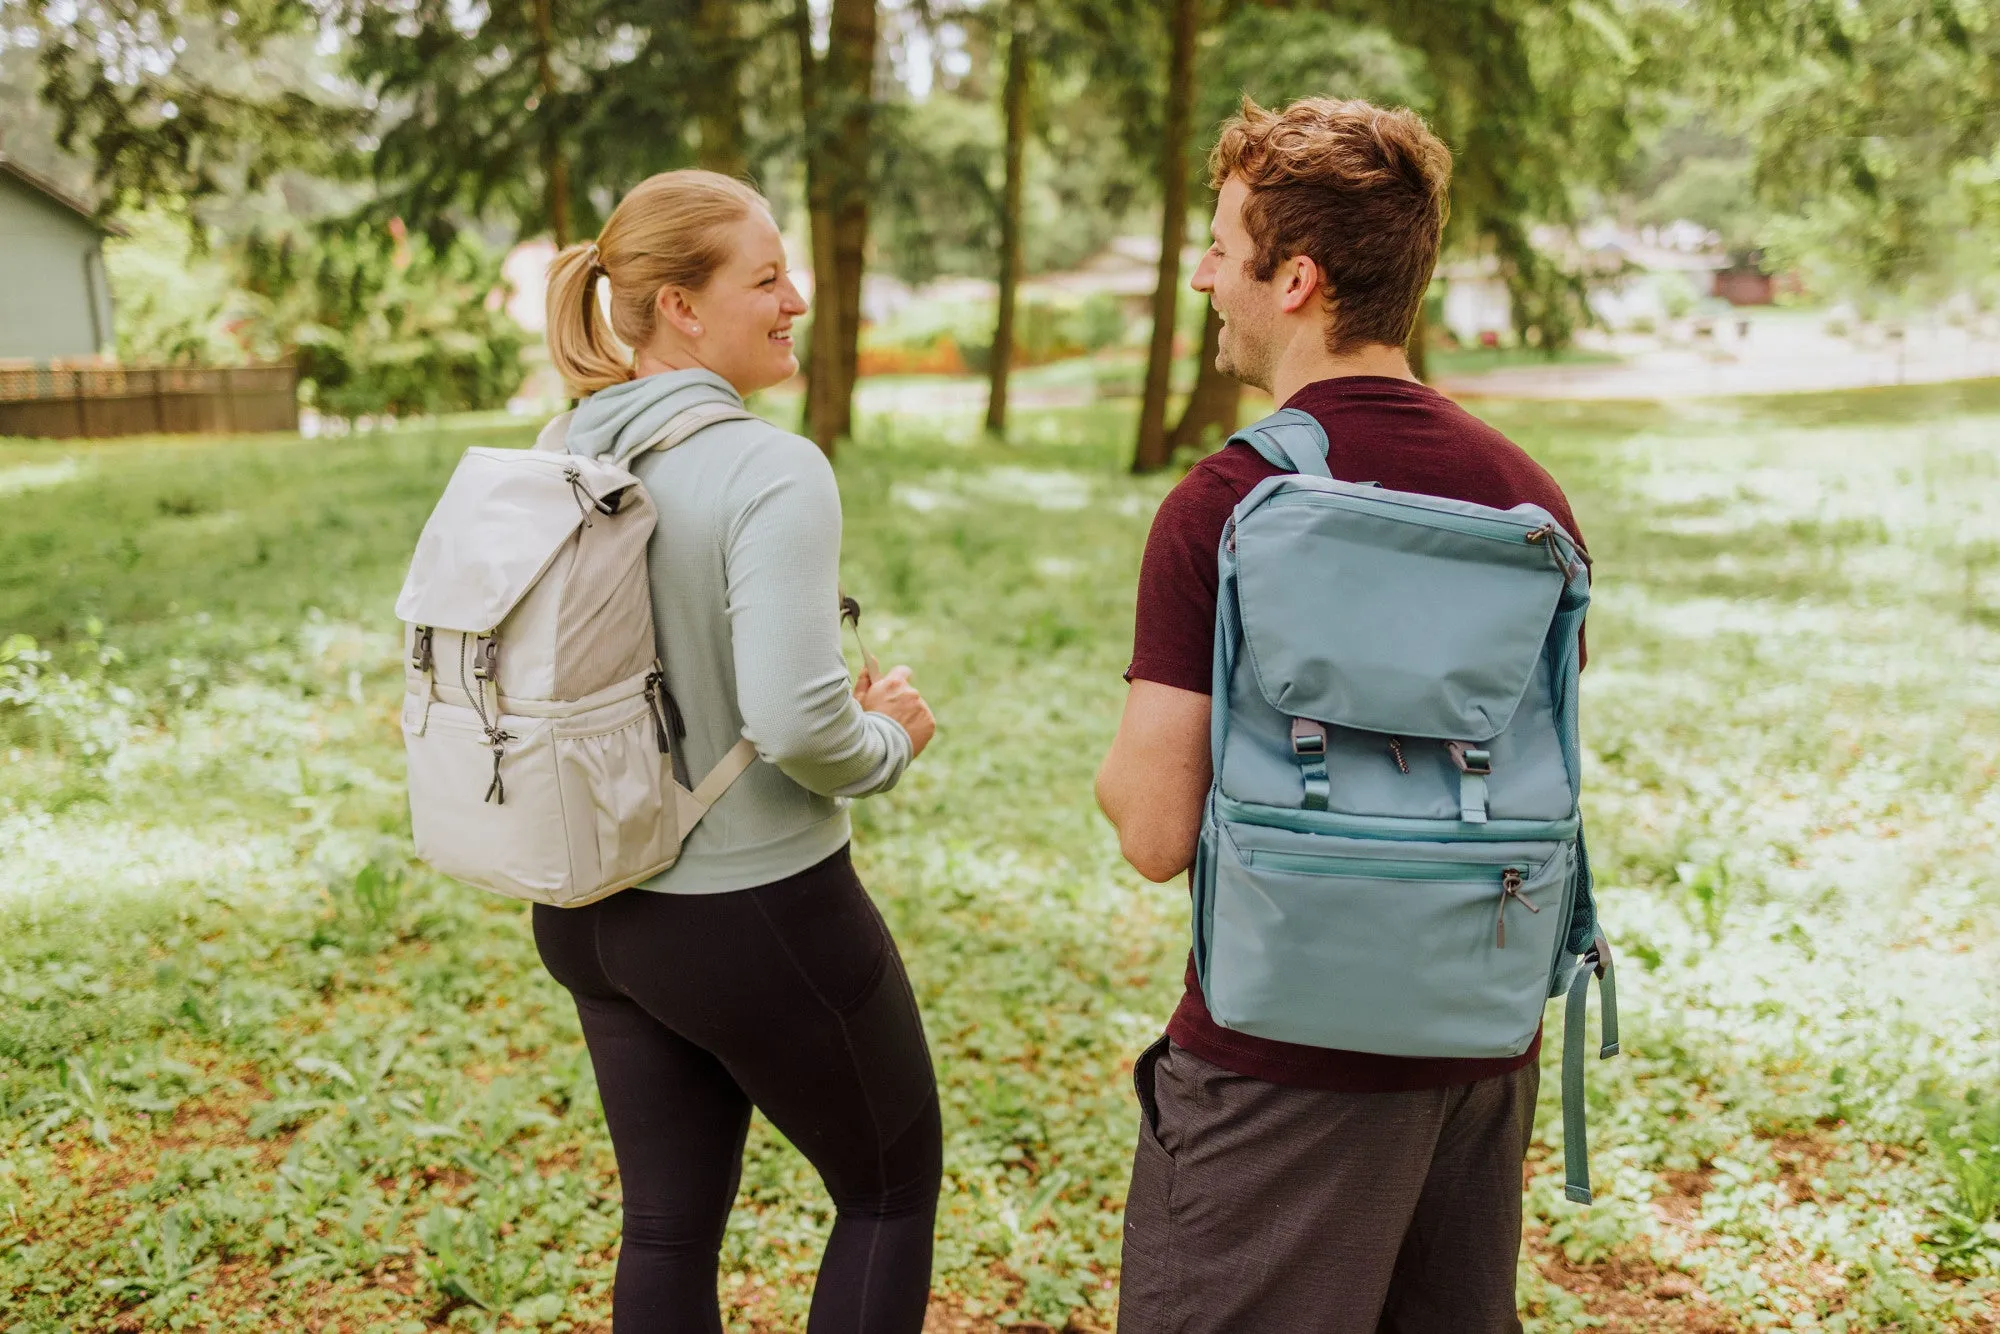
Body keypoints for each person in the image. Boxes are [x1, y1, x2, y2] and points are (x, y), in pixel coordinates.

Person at [1096, 98, 1590, 1333]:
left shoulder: (1227, 499)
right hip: (1477, 1046)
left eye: (1221, 246)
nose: (1205, 275)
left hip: (1278, 1060)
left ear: (1296, 278)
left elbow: (1154, 829)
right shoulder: (1530, 503)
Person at [531, 169, 941, 1334]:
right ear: (677, 307)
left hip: (590, 907)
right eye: (765, 278)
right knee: (887, 1190)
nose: (795, 299)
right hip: (750, 910)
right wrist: (887, 740)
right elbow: (804, 725)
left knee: (665, 1226)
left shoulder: (562, 446)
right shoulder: (769, 467)